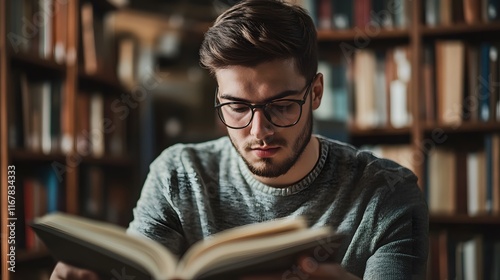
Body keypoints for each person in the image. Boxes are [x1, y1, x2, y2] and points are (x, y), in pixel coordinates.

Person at [50, 0, 429, 279]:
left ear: (315, 93)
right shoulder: (177, 175)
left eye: (280, 106)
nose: (258, 130)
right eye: (236, 107)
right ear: (218, 99)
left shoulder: (387, 193)